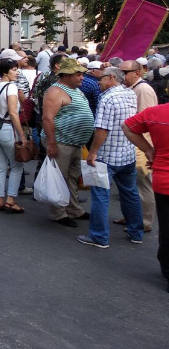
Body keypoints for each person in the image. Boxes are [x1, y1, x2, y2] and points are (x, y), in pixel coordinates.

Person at [78, 67, 142, 248]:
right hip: (127, 153)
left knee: (100, 196)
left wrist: (93, 152)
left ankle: (99, 237)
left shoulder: (107, 98)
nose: (98, 81)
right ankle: (136, 232)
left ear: (111, 78)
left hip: (107, 156)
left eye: (101, 78)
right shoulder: (129, 93)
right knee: (130, 193)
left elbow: (102, 129)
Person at [41, 58, 95, 227]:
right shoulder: (55, 92)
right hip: (60, 141)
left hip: (74, 142)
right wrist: (51, 144)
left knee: (72, 177)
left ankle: (73, 209)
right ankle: (58, 213)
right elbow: (47, 119)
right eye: (78, 74)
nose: (82, 77)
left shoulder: (75, 90)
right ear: (66, 75)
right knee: (60, 177)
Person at [122, 102, 169, 292]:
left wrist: (149, 150)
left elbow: (127, 126)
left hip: (164, 179)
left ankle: (167, 268)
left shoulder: (155, 112)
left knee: (167, 228)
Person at [119, 60, 159, 232]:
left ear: (137, 73)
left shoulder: (143, 89)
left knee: (143, 183)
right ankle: (132, 216)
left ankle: (144, 220)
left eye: (125, 73)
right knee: (132, 184)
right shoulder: (132, 88)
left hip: (142, 143)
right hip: (133, 141)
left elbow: (148, 119)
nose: (122, 76)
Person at [0, 59, 27, 214]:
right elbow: (13, 112)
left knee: (0, 167)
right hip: (7, 128)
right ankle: (10, 200)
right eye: (14, 70)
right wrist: (22, 135)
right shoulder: (11, 87)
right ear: (5, 72)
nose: (17, 72)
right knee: (17, 166)